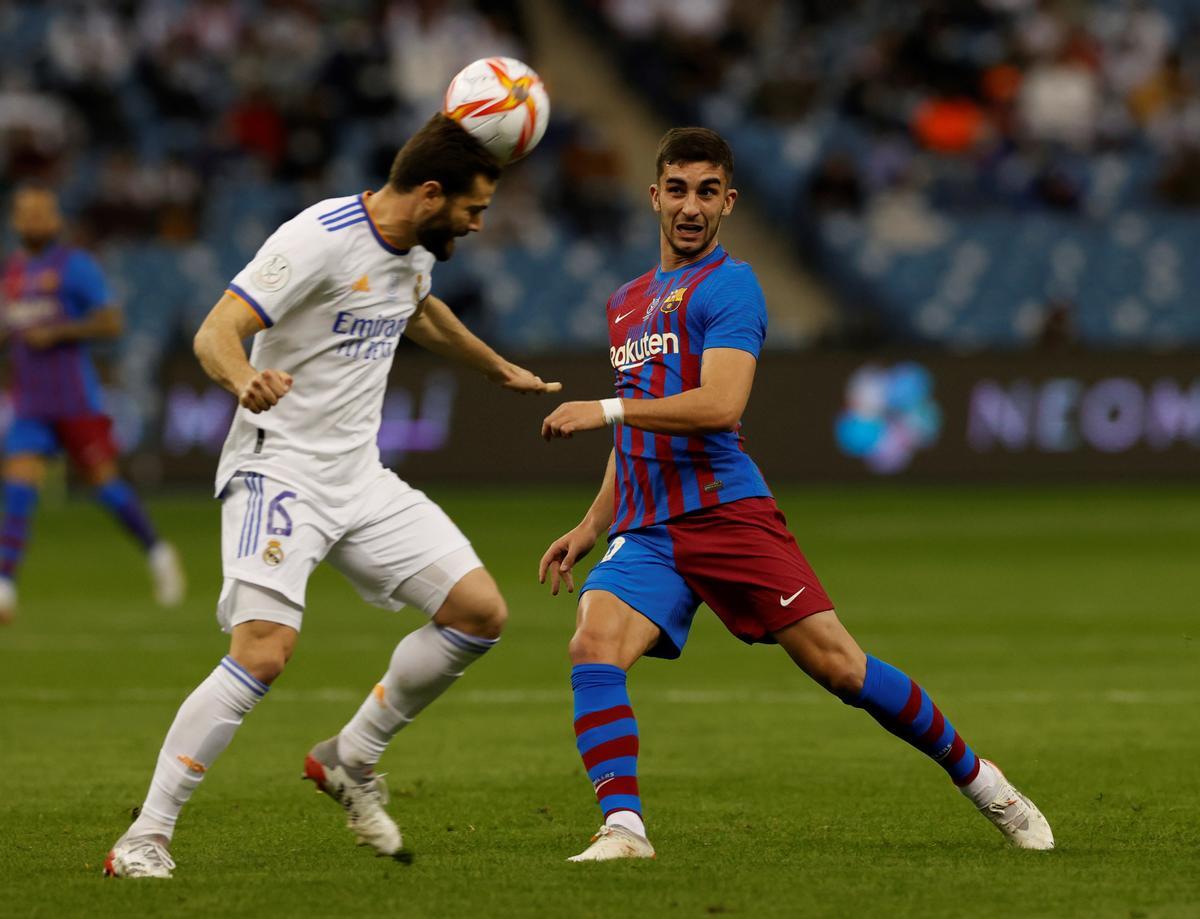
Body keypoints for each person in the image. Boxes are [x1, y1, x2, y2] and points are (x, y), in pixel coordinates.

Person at [538, 127, 1053, 861]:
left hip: (725, 512)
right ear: (654, 195)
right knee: (592, 643)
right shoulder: (625, 304)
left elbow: (718, 404)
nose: (690, 206)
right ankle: (624, 826)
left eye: (707, 191)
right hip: (651, 525)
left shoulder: (732, 285)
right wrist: (592, 522)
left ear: (728, 201)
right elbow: (639, 431)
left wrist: (604, 408)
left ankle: (981, 779)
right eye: (677, 189)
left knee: (841, 667)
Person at [105, 114, 560, 878]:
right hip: (278, 469)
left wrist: (495, 366)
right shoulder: (317, 236)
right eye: (474, 209)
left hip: (359, 476)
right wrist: (243, 376)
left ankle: (350, 754)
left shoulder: (415, 248)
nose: (480, 225)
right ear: (428, 192)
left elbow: (418, 310)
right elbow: (217, 330)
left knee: (479, 613)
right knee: (263, 652)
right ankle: (145, 835)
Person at [0, 186, 184, 624]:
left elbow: (112, 320)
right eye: (26, 213)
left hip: (75, 400)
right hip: (30, 404)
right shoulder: (11, 274)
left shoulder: (74, 266)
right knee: (19, 490)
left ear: (55, 219)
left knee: (104, 486)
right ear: (14, 221)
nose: (33, 220)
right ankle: (5, 585)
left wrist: (60, 331)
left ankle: (157, 551)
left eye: (42, 212)